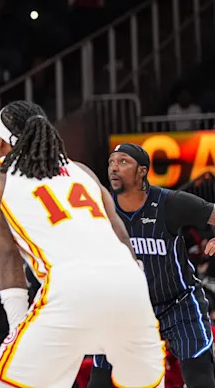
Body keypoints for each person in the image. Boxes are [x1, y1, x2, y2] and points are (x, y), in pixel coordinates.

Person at [0, 100, 164, 388]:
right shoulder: (83, 171)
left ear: (0, 144)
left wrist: (18, 324)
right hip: (131, 283)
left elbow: (5, 254)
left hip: (69, 288)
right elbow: (121, 235)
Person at [88, 143, 215, 388]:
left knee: (200, 375)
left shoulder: (170, 203)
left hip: (177, 302)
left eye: (123, 161)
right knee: (99, 380)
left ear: (142, 171)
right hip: (124, 307)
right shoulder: (99, 207)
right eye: (111, 162)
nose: (114, 168)